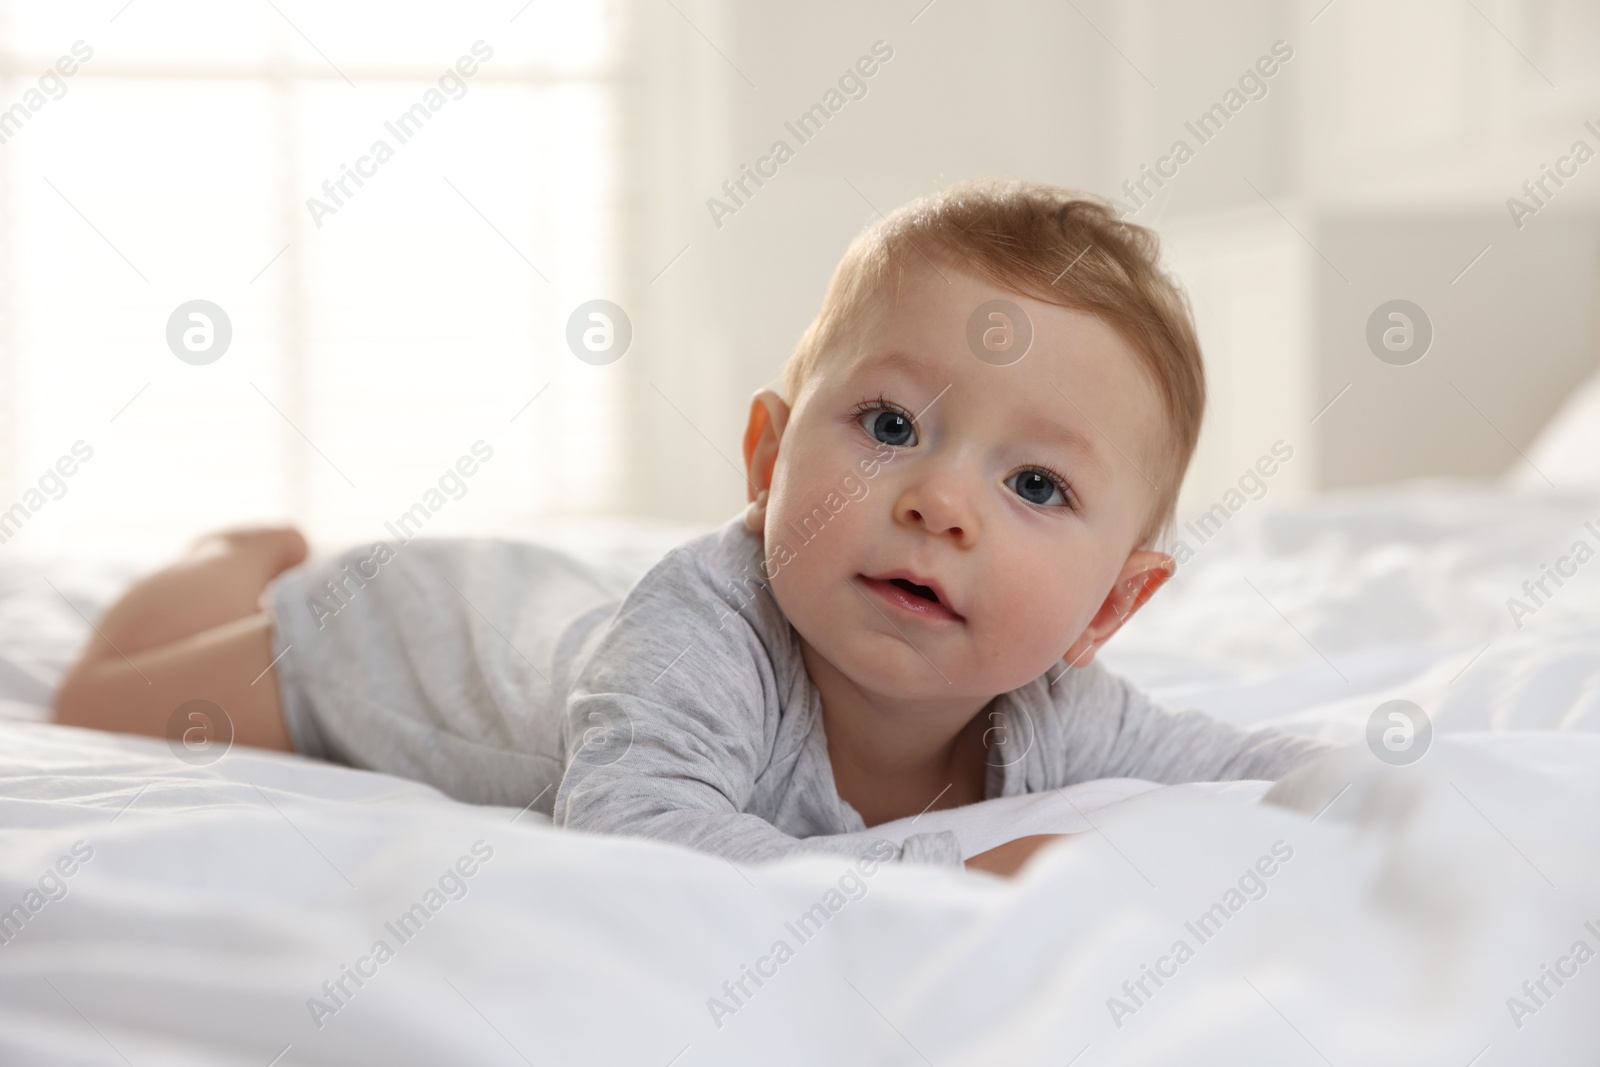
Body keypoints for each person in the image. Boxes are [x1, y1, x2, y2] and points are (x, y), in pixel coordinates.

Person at [53, 178, 1328, 876]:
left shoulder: (1058, 711)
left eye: (1035, 486)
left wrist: (1384, 791)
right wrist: (949, 877)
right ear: (769, 461)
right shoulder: (703, 637)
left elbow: (1241, 760)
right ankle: (234, 558)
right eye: (889, 424)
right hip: (390, 639)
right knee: (101, 696)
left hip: (553, 611)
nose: (939, 501)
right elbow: (641, 831)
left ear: (1108, 610)